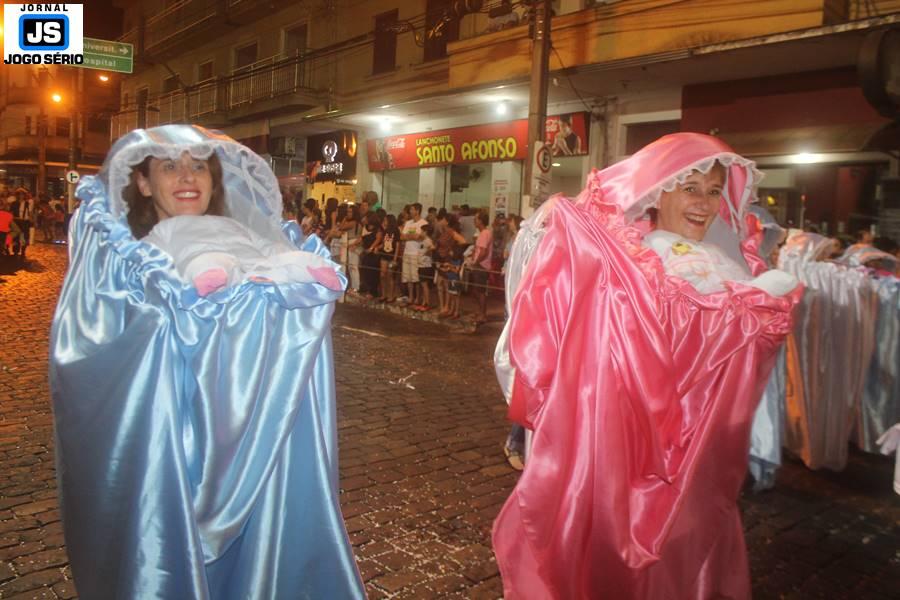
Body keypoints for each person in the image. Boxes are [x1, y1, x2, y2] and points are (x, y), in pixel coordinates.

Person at [49, 125, 365, 599]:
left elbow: (278, 278)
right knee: (178, 541)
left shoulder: (245, 231)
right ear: (142, 183)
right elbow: (118, 349)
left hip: (259, 417)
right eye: (169, 166)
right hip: (180, 428)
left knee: (260, 543)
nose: (187, 176)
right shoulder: (135, 257)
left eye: (199, 165)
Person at [493, 132, 801, 599]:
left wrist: (758, 308)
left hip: (703, 447)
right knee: (644, 550)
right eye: (691, 188)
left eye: (714, 192)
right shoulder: (638, 263)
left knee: (688, 542)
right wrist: (753, 307)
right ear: (660, 191)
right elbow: (662, 341)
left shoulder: (720, 260)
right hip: (644, 450)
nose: (704, 204)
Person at [400, 202, 428, 304]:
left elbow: (420, 237)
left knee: (416, 278)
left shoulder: (423, 223)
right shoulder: (408, 223)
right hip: (407, 252)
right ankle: (411, 297)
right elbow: (402, 236)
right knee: (408, 277)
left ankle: (418, 298)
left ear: (417, 211)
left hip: (416, 253)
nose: (410, 211)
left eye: (412, 209)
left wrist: (409, 236)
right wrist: (412, 236)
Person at [469, 211, 492, 324]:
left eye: (476, 219)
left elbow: (484, 251)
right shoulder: (482, 233)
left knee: (480, 291)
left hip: (481, 266)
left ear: (481, 221)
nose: (474, 221)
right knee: (476, 290)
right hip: (479, 264)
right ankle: (480, 312)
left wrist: (476, 262)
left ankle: (483, 314)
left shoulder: (485, 233)